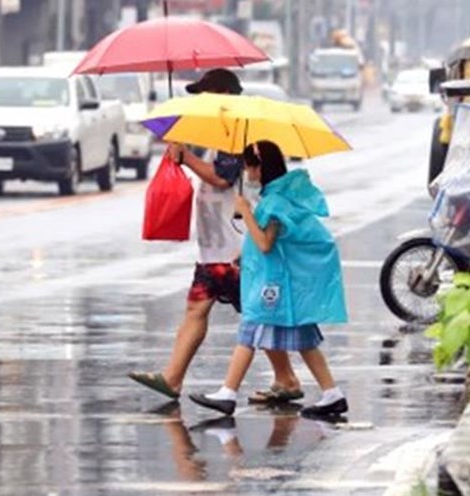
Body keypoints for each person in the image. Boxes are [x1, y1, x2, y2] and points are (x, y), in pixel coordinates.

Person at [129, 69, 302, 403]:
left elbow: (222, 178)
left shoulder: (236, 137)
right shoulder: (219, 135)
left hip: (235, 248)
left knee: (257, 316)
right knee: (197, 310)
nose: (200, 101)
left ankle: (287, 378)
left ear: (222, 94)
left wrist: (188, 158)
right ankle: (172, 379)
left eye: (205, 94)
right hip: (213, 249)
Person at [189, 140, 349, 417]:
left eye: (249, 166)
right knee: (289, 338)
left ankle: (228, 393)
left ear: (260, 167)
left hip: (275, 286)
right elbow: (264, 243)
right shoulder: (275, 197)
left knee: (255, 332)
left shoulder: (276, 202)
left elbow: (266, 243)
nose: (247, 173)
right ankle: (331, 393)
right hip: (273, 282)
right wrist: (243, 254)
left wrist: (246, 211)